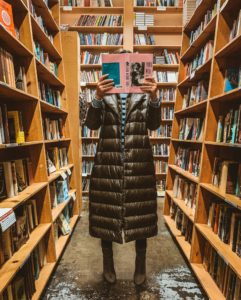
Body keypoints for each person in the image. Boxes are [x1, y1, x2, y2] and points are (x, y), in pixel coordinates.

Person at [84, 49, 161, 285]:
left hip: (139, 159)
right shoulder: (104, 92)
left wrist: (155, 99)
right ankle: (108, 262)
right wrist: (97, 96)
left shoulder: (144, 93)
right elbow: (91, 124)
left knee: (142, 214)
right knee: (106, 214)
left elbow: (154, 125)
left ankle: (140, 263)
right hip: (109, 160)